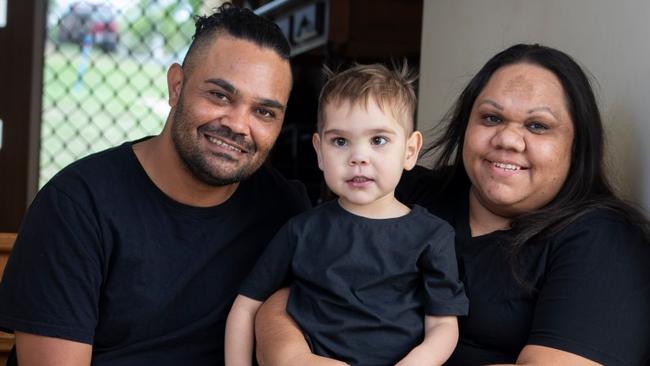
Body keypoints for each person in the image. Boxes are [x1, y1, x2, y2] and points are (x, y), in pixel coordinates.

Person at [253, 44, 650, 366]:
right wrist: (291, 354)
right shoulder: (408, 194)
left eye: (537, 125)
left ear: (577, 146)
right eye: (491, 118)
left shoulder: (602, 240)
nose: (508, 139)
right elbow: (292, 291)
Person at [0, 3, 310, 365]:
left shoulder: (285, 212)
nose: (239, 125)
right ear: (176, 86)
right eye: (220, 96)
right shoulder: (77, 204)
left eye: (264, 112)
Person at [224, 63, 469, 366]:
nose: (358, 157)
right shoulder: (302, 229)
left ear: (409, 151)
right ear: (319, 151)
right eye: (340, 141)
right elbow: (246, 307)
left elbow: (443, 326)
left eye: (378, 140)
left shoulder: (433, 236)